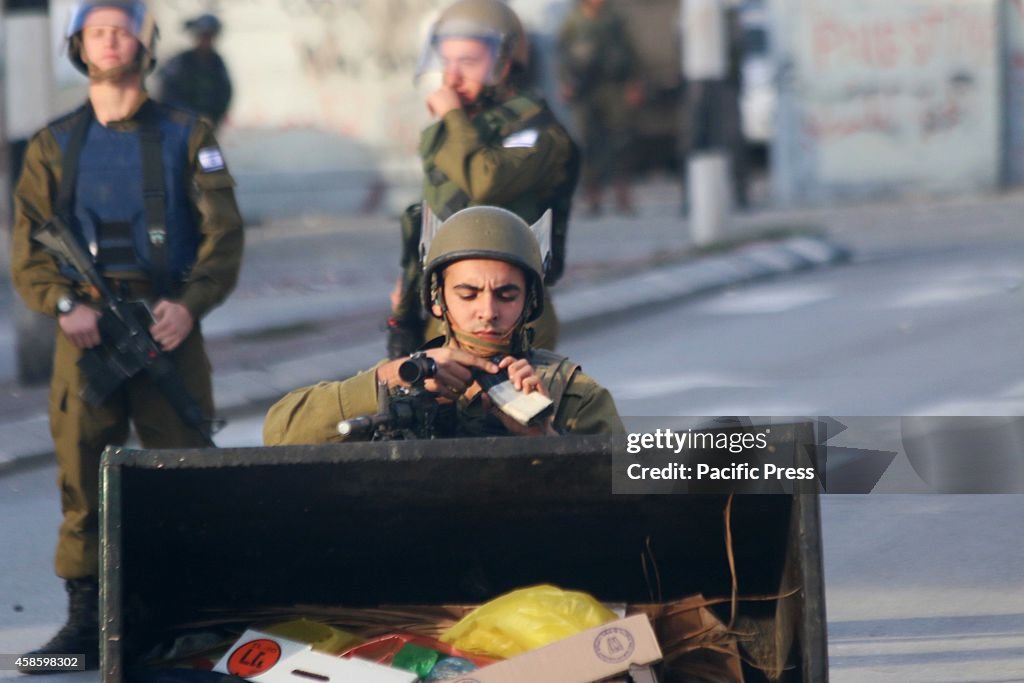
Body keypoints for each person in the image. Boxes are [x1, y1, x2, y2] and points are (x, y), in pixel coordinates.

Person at [10, 1, 244, 668]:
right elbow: (27, 248)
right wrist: (62, 304)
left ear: (146, 43)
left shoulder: (189, 133)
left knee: (184, 468)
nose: (111, 42)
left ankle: (188, 619)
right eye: (98, 31)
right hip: (85, 332)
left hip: (167, 323)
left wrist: (190, 305)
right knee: (83, 476)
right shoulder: (52, 145)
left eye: (123, 30)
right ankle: (85, 623)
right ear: (79, 45)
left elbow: (222, 237)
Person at [266, 206, 621, 445]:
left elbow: (643, 488)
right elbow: (278, 431)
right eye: (467, 294)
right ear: (437, 298)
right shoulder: (402, 378)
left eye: (507, 294)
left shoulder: (572, 395)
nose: (488, 311)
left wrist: (544, 436)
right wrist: (385, 381)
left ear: (529, 301)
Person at [387, 0, 579, 359]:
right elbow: (435, 215)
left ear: (505, 64)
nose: (452, 76)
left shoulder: (537, 133)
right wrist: (409, 292)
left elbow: (485, 180)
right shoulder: (458, 131)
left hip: (511, 317)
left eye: (469, 62)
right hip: (447, 312)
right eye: (447, 61)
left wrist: (453, 117)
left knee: (514, 410)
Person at [557, 0, 643, 216]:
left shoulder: (614, 18)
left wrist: (633, 83)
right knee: (587, 144)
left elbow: (631, 51)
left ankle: (623, 195)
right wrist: (565, 83)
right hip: (585, 90)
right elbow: (562, 55)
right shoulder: (573, 21)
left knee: (620, 141)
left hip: (613, 86)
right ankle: (593, 196)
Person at [157, 13, 232, 129]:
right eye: (203, 36)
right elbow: (166, 91)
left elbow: (224, 93)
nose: (206, 41)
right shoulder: (181, 62)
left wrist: (213, 117)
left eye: (210, 36)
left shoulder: (217, 63)